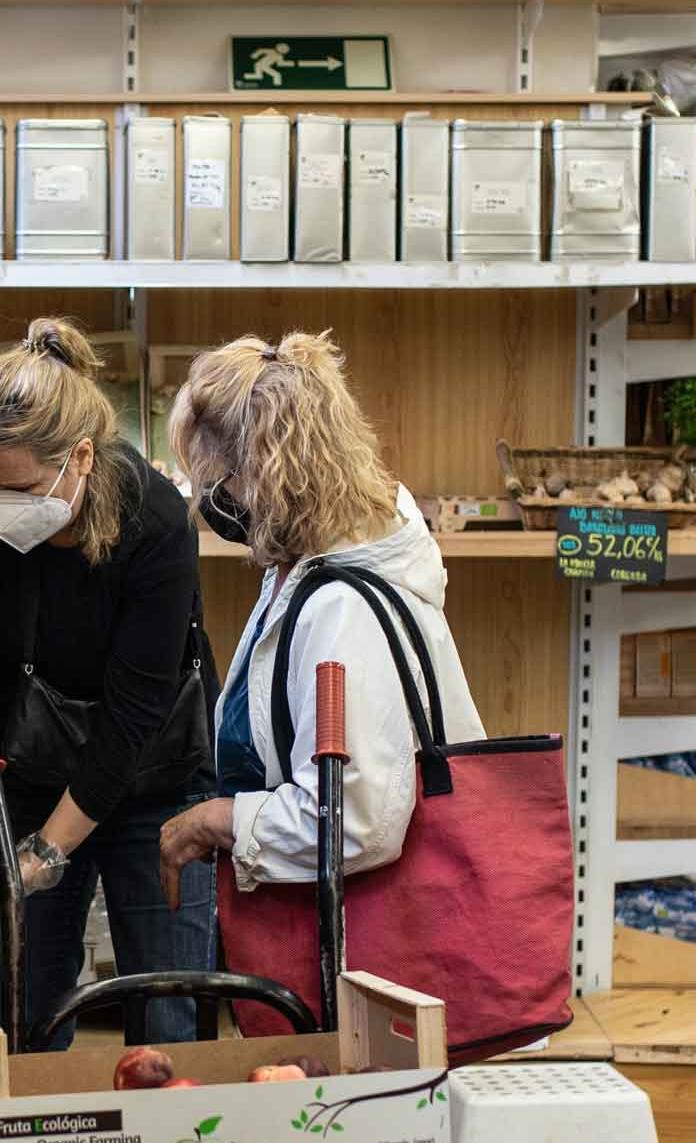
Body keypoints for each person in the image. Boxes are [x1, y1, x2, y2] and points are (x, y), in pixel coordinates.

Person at [0, 317, 219, 1048]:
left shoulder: (154, 519)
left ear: (78, 456)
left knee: (166, 1007)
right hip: (31, 765)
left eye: (19, 488)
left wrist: (44, 853)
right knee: (26, 1006)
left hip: (153, 780)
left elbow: (134, 718)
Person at [156, 330, 484, 912]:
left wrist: (220, 819)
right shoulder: (302, 573)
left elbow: (353, 822)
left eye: (217, 478)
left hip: (355, 938)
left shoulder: (341, 608)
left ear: (266, 474)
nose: (210, 497)